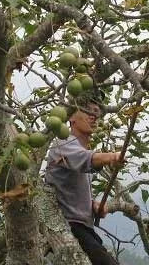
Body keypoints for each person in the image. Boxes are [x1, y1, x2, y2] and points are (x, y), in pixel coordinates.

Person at [44, 99, 125, 265]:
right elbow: (88, 159)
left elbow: (71, 190)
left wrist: (93, 206)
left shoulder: (80, 151)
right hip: (70, 227)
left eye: (96, 113)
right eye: (88, 111)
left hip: (83, 228)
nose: (93, 116)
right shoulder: (62, 143)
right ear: (71, 117)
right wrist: (113, 156)